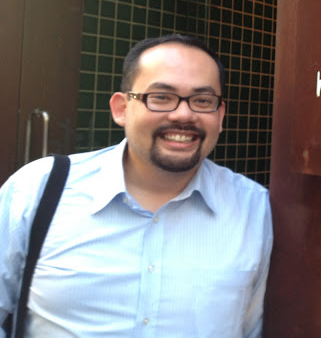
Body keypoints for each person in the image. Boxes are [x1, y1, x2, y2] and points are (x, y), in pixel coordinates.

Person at [0, 34, 273, 337]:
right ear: (121, 108)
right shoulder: (37, 189)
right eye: (161, 97)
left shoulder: (255, 210)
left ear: (220, 116)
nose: (184, 114)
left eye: (203, 101)